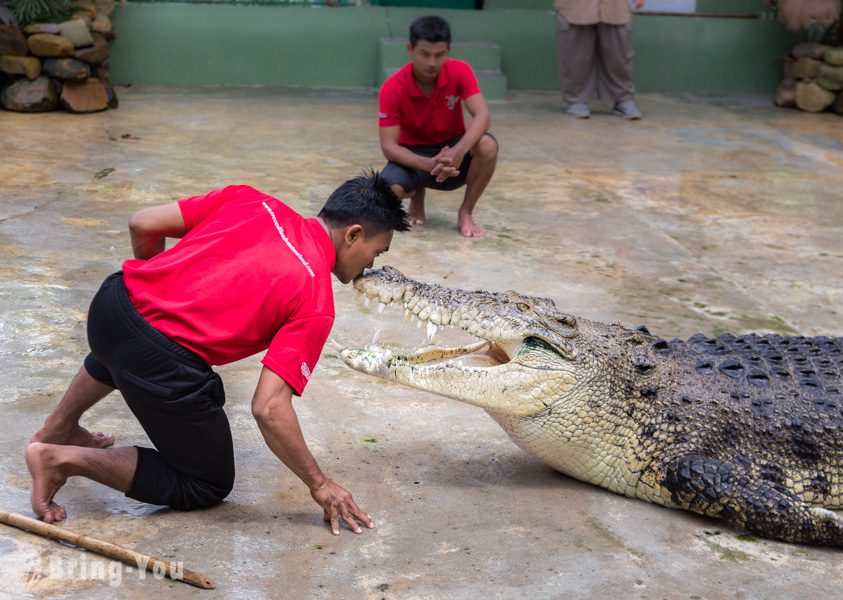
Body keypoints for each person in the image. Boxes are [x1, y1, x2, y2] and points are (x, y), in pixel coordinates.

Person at [25, 171, 409, 536]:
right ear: (353, 235)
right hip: (156, 356)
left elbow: (143, 223)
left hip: (111, 303)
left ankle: (57, 428)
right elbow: (269, 408)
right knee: (206, 483)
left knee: (133, 340)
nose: (370, 266)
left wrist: (154, 292)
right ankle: (60, 459)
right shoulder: (315, 299)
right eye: (376, 252)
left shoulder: (252, 200)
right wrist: (319, 484)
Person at [378, 15, 498, 238]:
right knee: (387, 191)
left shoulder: (460, 70)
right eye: (424, 53)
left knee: (488, 145)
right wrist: (430, 163)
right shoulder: (392, 87)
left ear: (448, 50)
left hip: (453, 152)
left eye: (439, 54)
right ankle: (417, 195)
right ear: (410, 49)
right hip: (413, 156)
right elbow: (389, 147)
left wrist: (457, 152)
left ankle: (466, 212)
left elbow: (482, 114)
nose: (432, 62)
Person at [555, 0, 645, 120]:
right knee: (576, 56)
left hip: (616, 7)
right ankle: (577, 100)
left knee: (619, 55)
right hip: (574, 7)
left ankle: (622, 99)